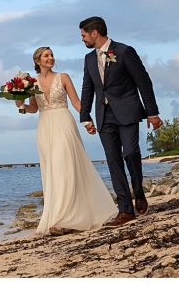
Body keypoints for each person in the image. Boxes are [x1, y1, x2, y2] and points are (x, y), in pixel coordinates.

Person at [16, 46, 117, 235]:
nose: (51, 58)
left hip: (64, 123)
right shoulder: (31, 83)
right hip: (45, 127)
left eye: (52, 55)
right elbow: (33, 108)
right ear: (37, 60)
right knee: (53, 170)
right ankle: (57, 217)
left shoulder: (63, 77)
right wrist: (19, 105)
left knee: (65, 166)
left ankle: (66, 218)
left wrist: (87, 120)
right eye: (46, 56)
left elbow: (77, 103)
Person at [78, 16, 162, 228]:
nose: (82, 39)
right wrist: (85, 116)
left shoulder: (124, 51)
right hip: (104, 116)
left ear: (94, 33)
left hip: (128, 111)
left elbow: (143, 82)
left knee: (130, 153)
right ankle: (125, 210)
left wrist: (152, 112)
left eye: (83, 35)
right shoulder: (88, 59)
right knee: (114, 161)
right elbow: (87, 88)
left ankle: (138, 190)